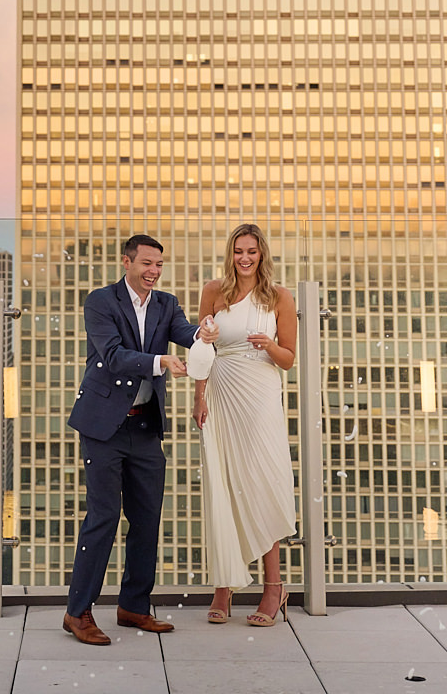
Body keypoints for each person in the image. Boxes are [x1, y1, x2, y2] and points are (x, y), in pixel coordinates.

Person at [63, 233, 219, 645]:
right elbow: (112, 355)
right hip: (104, 427)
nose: (153, 271)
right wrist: (160, 361)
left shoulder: (165, 303)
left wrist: (204, 332)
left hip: (146, 427)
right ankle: (77, 612)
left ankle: (133, 606)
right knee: (103, 518)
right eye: (146, 263)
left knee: (147, 519)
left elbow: (184, 332)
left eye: (158, 265)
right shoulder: (100, 301)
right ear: (127, 262)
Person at [192, 223, 297, 627]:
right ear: (230, 253)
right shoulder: (213, 290)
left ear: (262, 254)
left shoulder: (280, 297)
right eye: (238, 251)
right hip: (220, 392)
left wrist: (269, 345)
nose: (245, 258)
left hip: (260, 395)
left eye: (252, 251)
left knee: (261, 483)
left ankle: (274, 588)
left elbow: (288, 358)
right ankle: (225, 585)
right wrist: (199, 397)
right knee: (223, 484)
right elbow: (203, 347)